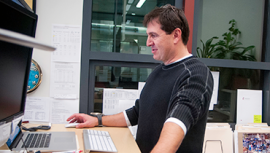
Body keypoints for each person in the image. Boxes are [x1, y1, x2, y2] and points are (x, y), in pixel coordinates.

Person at [67, 4, 213, 153]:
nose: (148, 42)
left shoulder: (195, 73)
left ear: (176, 35)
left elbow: (177, 123)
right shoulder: (158, 72)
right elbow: (137, 113)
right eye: (148, 36)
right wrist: (97, 120)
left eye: (153, 35)